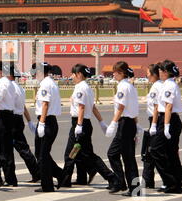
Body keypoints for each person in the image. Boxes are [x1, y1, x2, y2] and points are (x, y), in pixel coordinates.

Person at [58, 64, 120, 191]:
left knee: (73, 153)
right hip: (84, 124)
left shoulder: (80, 88)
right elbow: (93, 107)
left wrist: (79, 125)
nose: (71, 77)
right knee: (80, 154)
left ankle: (112, 178)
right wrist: (101, 122)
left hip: (79, 124)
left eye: (73, 74)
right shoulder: (88, 88)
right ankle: (81, 178)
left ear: (79, 74)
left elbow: (81, 107)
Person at [105, 61, 141, 197]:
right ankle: (124, 183)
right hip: (129, 123)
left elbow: (121, 107)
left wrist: (113, 123)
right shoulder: (130, 86)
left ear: (121, 73)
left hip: (125, 124)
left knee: (125, 157)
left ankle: (132, 187)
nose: (113, 74)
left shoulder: (123, 87)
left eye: (115, 72)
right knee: (118, 155)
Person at [149, 60, 182, 194]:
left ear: (165, 72)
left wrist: (166, 126)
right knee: (170, 154)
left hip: (169, 120)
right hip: (166, 119)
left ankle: (171, 181)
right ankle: (175, 183)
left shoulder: (169, 85)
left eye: (160, 70)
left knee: (157, 150)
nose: (158, 72)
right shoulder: (166, 84)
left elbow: (168, 106)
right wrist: (154, 124)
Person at [31, 62, 63, 192]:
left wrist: (42, 123)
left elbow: (45, 104)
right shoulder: (50, 82)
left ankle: (47, 185)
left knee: (42, 155)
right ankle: (61, 175)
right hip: (48, 121)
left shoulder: (45, 83)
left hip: (47, 121)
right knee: (41, 153)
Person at [8, 64, 40, 183]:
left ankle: (7, 176)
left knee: (11, 149)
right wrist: (29, 121)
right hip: (18, 119)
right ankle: (36, 173)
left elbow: (8, 106)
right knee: (23, 148)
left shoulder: (10, 87)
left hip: (11, 120)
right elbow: (23, 106)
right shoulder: (20, 88)